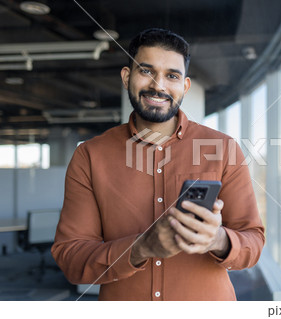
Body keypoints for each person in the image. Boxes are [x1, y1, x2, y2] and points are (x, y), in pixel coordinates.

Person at [51, 28, 265, 301]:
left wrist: (217, 240)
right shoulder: (90, 156)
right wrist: (140, 248)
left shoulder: (223, 148)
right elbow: (71, 258)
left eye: (172, 76)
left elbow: (253, 242)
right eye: (146, 71)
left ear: (184, 86)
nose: (158, 85)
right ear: (127, 77)